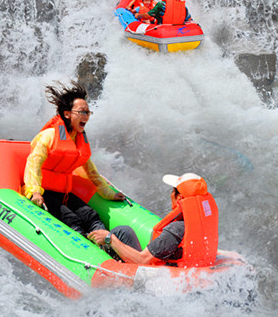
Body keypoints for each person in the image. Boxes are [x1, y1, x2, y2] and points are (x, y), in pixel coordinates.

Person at [22, 81, 125, 236]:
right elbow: (33, 164)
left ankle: (108, 247)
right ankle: (89, 253)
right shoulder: (49, 136)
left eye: (88, 113)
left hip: (64, 193)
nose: (86, 117)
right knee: (72, 220)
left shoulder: (78, 139)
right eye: (82, 112)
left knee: (91, 216)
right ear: (67, 113)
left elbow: (91, 171)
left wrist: (108, 193)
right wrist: (35, 191)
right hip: (43, 193)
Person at [88, 173, 219, 268]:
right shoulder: (204, 226)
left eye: (173, 191)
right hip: (182, 271)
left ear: (179, 197)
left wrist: (109, 238)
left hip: (153, 277)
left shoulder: (175, 230)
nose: (171, 195)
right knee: (125, 232)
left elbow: (142, 260)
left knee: (121, 232)